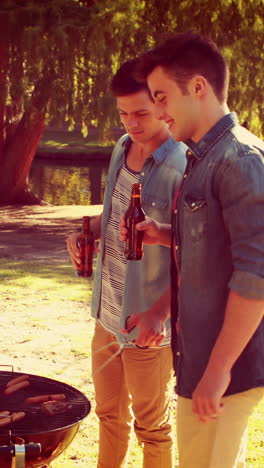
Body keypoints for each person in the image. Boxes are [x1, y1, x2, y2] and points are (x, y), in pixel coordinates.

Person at [120, 32, 264, 468]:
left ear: (198, 87)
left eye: (162, 97)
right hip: (198, 361)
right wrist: (168, 234)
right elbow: (209, 249)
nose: (159, 111)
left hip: (228, 370)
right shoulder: (203, 157)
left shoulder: (240, 159)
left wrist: (218, 371)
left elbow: (256, 275)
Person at [66, 58, 187, 468]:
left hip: (149, 327)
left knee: (152, 429)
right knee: (108, 416)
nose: (131, 123)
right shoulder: (121, 147)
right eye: (123, 113)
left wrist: (161, 314)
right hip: (107, 313)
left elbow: (197, 253)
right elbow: (112, 213)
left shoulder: (183, 166)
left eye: (141, 113)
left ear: (163, 105)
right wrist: (86, 233)